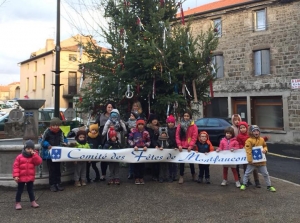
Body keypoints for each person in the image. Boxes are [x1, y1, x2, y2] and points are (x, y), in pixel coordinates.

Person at [240, 125, 276, 192]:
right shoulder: (249, 140)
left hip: (261, 161)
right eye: (254, 131)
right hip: (252, 162)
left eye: (257, 131)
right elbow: (248, 151)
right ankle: (244, 184)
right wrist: (250, 160)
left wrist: (265, 150)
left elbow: (265, 146)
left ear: (259, 132)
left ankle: (269, 186)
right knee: (247, 173)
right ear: (251, 132)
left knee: (265, 174)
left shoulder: (262, 139)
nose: (256, 132)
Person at [13, 140, 42, 210]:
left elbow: (39, 162)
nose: (30, 150)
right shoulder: (19, 157)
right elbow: (16, 166)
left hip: (30, 177)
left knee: (31, 190)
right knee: (19, 190)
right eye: (28, 149)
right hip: (21, 177)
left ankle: (33, 201)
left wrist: (34, 155)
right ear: (25, 149)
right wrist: (16, 175)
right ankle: (17, 202)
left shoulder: (34, 156)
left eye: (31, 149)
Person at [40, 117, 67, 192]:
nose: (55, 127)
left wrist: (65, 142)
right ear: (51, 125)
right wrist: (47, 145)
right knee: (51, 170)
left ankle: (58, 183)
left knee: (58, 169)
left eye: (57, 125)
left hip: (58, 153)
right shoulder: (47, 132)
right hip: (50, 154)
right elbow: (42, 141)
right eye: (54, 125)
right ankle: (52, 184)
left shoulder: (60, 132)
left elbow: (64, 138)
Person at [175, 110, 198, 184]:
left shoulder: (193, 125)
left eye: (187, 116)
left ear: (190, 117)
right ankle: (181, 176)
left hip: (189, 146)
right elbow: (177, 135)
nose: (186, 117)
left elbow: (194, 136)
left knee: (191, 162)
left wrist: (191, 145)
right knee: (182, 162)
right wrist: (179, 145)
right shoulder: (180, 125)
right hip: (182, 146)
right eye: (185, 116)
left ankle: (193, 174)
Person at [94, 101, 115, 181]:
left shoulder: (116, 116)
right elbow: (95, 125)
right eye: (108, 107)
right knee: (104, 156)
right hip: (103, 138)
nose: (110, 108)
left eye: (111, 107)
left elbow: (120, 125)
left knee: (113, 156)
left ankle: (113, 175)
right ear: (106, 108)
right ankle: (103, 174)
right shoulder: (101, 116)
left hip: (113, 137)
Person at [236, 121, 261, 187]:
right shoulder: (238, 136)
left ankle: (257, 181)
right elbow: (238, 144)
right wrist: (241, 146)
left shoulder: (250, 135)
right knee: (246, 168)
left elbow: (256, 140)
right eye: (241, 128)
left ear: (246, 128)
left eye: (244, 127)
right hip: (244, 153)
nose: (242, 129)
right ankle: (247, 180)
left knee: (254, 168)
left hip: (252, 153)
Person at [128, 119, 151, 185]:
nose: (140, 126)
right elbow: (129, 140)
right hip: (136, 150)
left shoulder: (146, 133)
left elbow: (149, 141)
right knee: (136, 165)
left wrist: (146, 146)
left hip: (143, 151)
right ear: (137, 125)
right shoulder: (133, 132)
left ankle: (141, 177)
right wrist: (133, 146)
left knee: (142, 165)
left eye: (142, 124)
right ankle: (136, 178)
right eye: (139, 124)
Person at [146, 113, 161, 181]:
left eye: (156, 119)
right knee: (153, 163)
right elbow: (151, 138)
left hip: (158, 147)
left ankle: (157, 175)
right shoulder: (148, 128)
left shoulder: (159, 128)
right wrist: (155, 145)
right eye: (153, 120)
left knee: (158, 162)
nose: (155, 121)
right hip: (152, 147)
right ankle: (153, 175)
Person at [166, 115, 178, 182]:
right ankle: (170, 175)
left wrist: (176, 146)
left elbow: (177, 138)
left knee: (175, 163)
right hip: (168, 148)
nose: (170, 124)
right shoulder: (166, 130)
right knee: (169, 163)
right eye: (169, 122)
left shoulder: (176, 130)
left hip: (175, 148)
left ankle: (175, 175)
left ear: (174, 123)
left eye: (172, 122)